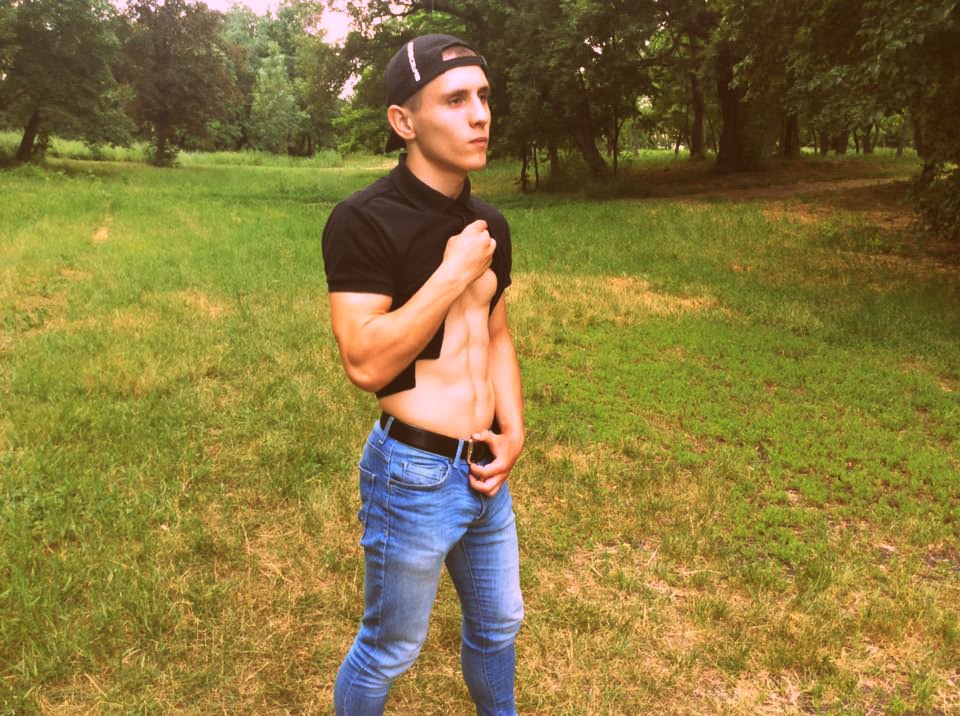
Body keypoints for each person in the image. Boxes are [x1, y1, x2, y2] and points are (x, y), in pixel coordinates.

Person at [321, 34, 525, 716]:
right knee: (390, 648)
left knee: (500, 623)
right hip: (413, 474)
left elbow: (495, 331)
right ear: (403, 121)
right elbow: (364, 361)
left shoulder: (488, 223)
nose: (480, 115)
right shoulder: (363, 220)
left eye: (484, 97)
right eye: (456, 99)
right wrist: (450, 273)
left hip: (483, 468)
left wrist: (513, 430)